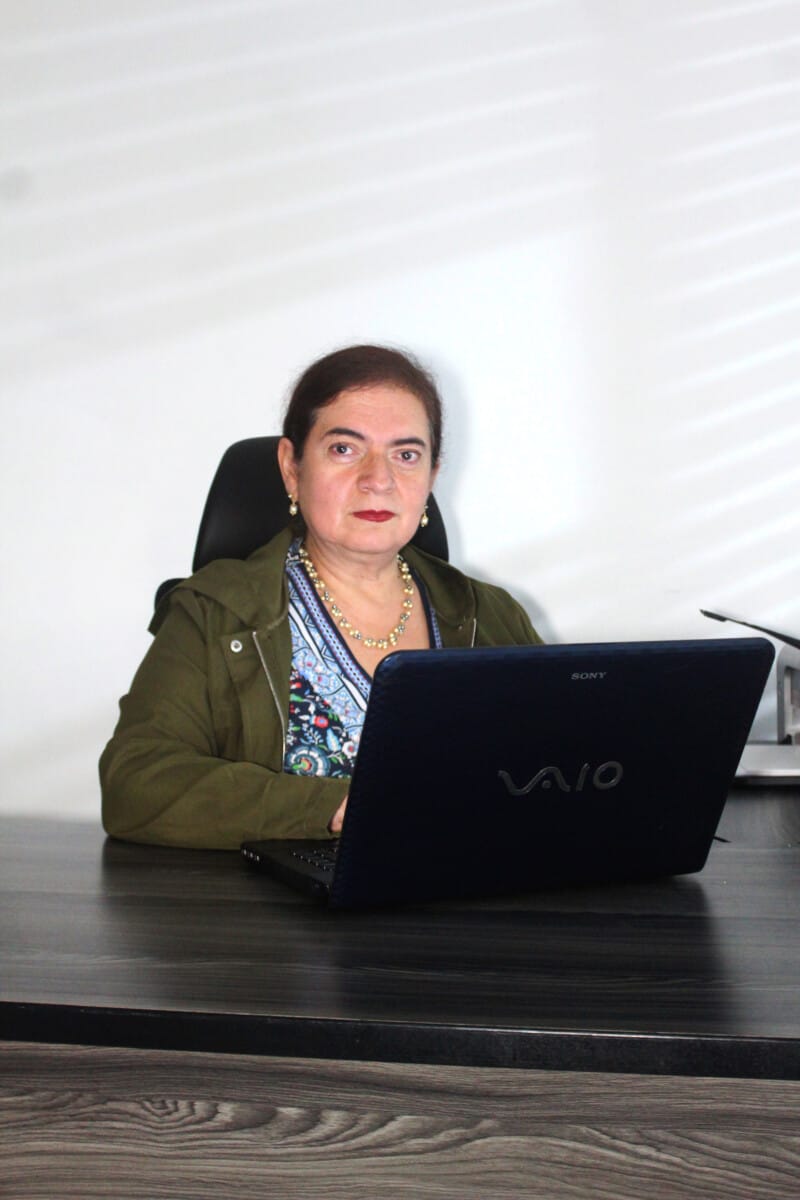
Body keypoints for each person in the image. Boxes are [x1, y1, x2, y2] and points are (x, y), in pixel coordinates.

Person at [100, 345, 543, 848]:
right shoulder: (215, 614)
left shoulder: (491, 614)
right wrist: (331, 808)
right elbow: (134, 783)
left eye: (406, 455)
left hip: (468, 889)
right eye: (344, 449)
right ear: (292, 469)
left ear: (431, 478)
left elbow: (565, 768)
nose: (378, 480)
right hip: (282, 896)